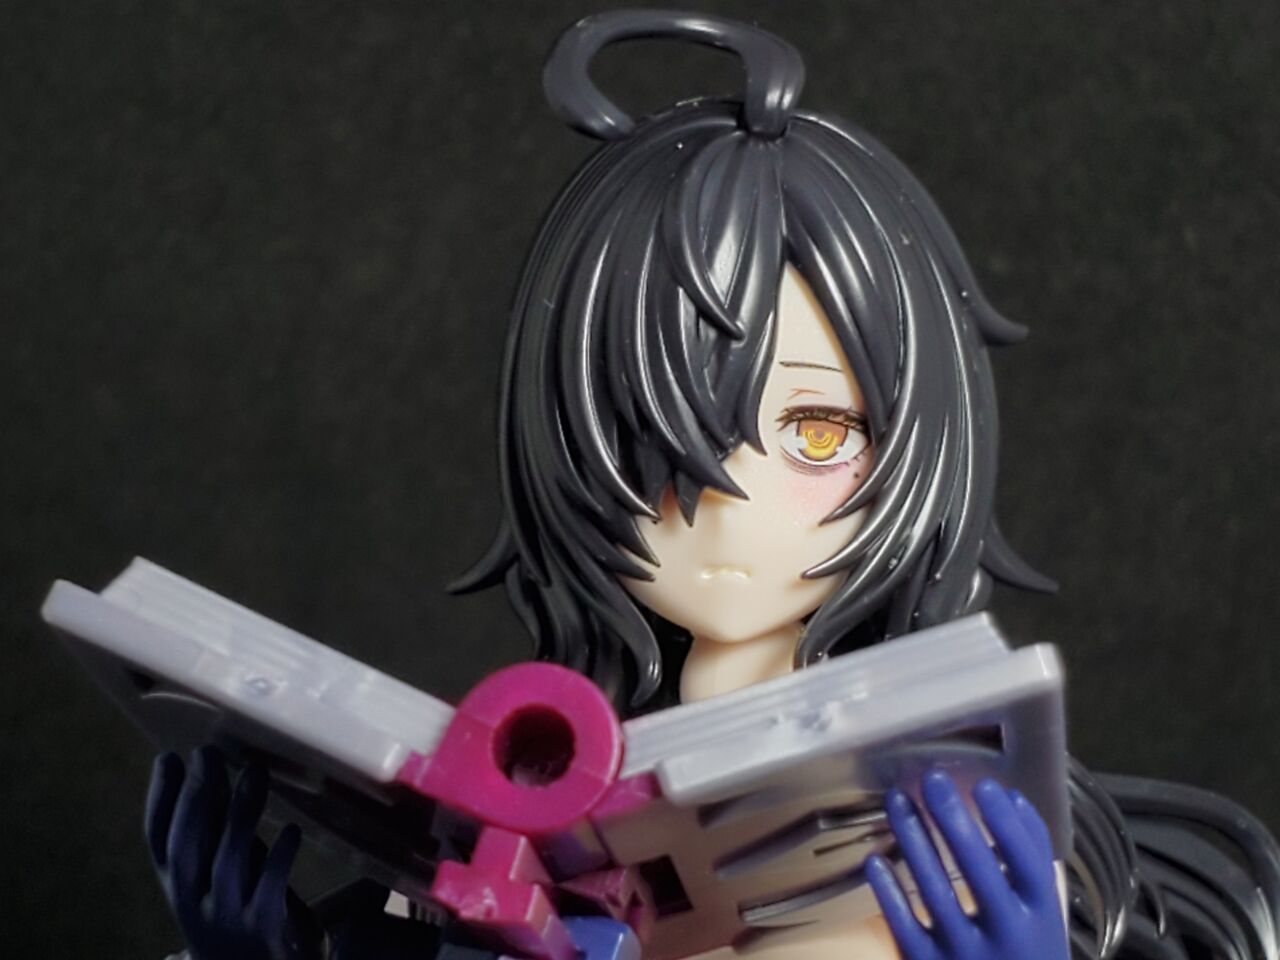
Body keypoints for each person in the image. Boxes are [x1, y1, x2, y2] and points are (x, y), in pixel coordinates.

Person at [147, 10, 1280, 960]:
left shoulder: (965, 839)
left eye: (816, 431)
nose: (727, 500)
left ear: (919, 438)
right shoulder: (549, 810)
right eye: (658, 433)